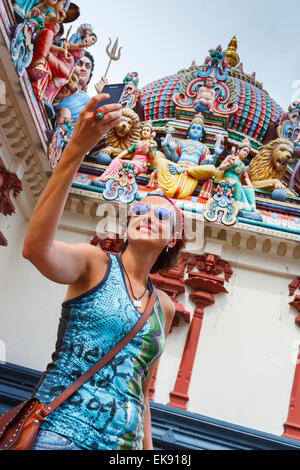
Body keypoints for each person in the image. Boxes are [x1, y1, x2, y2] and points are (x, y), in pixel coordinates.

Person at [22, 93, 185, 450]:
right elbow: (35, 250)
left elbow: (140, 388)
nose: (145, 216)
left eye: (161, 216)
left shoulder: (165, 307)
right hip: (61, 434)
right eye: (140, 209)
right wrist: (75, 152)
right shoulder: (95, 263)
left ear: (173, 238)